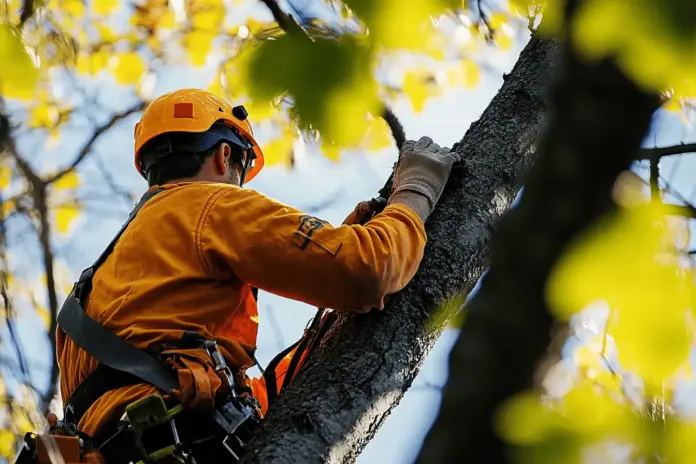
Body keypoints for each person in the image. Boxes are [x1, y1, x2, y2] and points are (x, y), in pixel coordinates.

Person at [54, 88, 457, 462]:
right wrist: (416, 190)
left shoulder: (98, 285)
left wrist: (325, 334)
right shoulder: (211, 206)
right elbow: (369, 268)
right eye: (241, 169)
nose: (239, 184)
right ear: (224, 156)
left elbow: (232, 399)